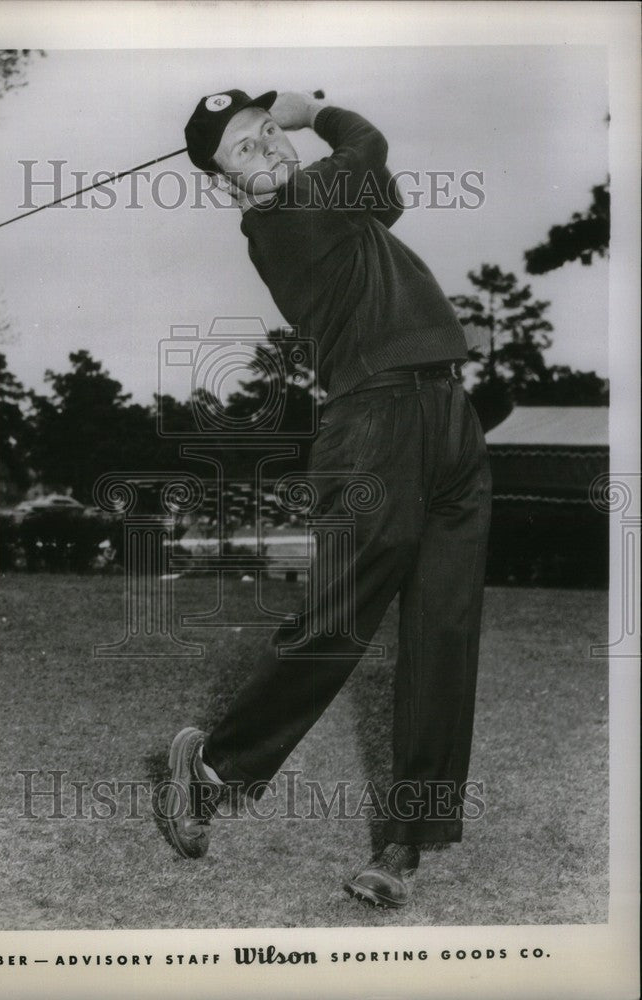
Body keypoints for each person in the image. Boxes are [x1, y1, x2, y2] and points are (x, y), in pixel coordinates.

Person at [161, 89, 492, 908]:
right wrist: (317, 111)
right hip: (373, 422)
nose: (267, 147)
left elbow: (384, 192)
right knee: (339, 616)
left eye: (268, 130)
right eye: (243, 148)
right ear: (224, 183)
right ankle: (213, 767)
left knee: (443, 631)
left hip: (447, 413)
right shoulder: (285, 216)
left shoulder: (335, 204)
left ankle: (403, 843)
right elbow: (368, 146)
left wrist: (321, 142)